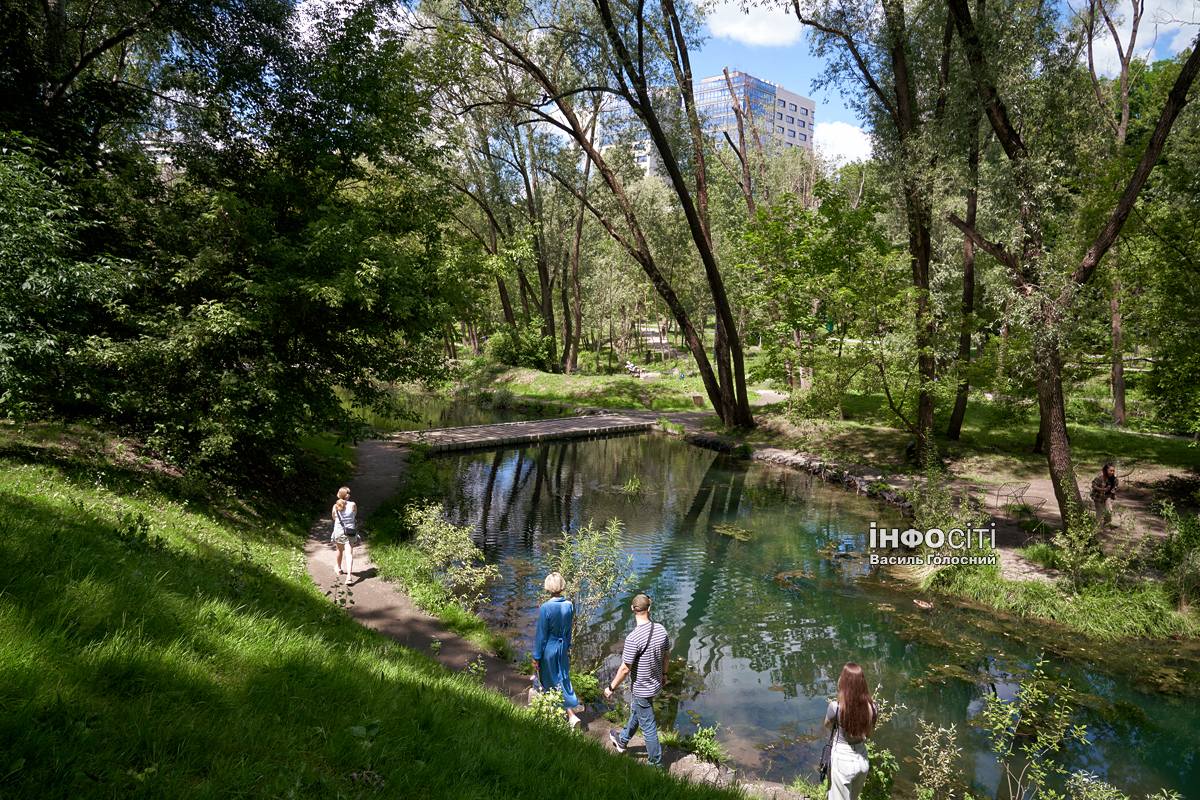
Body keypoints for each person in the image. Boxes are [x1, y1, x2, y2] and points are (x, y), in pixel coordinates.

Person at [604, 593, 671, 767]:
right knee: (638, 710)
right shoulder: (661, 630)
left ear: (632, 610)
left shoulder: (633, 638)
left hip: (642, 687)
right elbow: (666, 656)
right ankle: (622, 740)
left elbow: (625, 668)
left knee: (648, 726)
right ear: (649, 608)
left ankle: (656, 764)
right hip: (656, 683)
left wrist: (611, 687)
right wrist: (664, 675)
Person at [532, 572, 582, 728]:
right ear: (562, 586)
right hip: (562, 647)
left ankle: (568, 715)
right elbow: (568, 631)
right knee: (563, 677)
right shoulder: (569, 605)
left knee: (549, 679)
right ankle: (569, 713)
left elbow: (541, 634)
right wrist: (568, 646)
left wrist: (536, 656)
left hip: (550, 648)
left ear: (548, 587)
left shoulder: (546, 607)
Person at [824, 663, 877, 800]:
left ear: (843, 682)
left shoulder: (835, 707)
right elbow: (869, 734)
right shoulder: (873, 708)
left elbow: (827, 726)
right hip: (862, 760)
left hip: (842, 759)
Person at [331, 486, 358, 584]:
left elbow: (334, 518)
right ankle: (349, 577)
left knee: (339, 550)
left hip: (339, 531)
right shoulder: (353, 504)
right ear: (347, 495)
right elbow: (354, 515)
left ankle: (338, 568)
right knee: (349, 554)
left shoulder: (335, 506)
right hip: (350, 531)